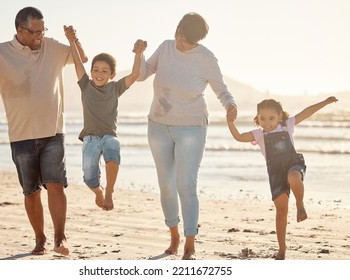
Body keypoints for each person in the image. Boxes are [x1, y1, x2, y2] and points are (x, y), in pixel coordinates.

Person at [0, 6, 88, 256]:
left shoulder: (51, 46)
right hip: (21, 135)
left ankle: (59, 238)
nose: (40, 37)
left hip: (53, 131)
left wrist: (73, 40)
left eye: (43, 31)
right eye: (35, 32)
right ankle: (40, 239)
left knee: (56, 184)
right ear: (20, 30)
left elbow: (81, 59)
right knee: (31, 191)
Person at [136, 12, 237, 260]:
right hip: (158, 126)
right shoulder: (166, 47)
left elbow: (221, 90)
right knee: (166, 186)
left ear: (196, 40)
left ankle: (190, 243)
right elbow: (142, 74)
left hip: (191, 127)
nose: (178, 38)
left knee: (186, 185)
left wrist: (230, 105)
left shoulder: (206, 59)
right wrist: (138, 54)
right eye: (178, 31)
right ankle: (174, 236)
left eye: (185, 38)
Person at [227, 96, 338, 260]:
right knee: (281, 211)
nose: (267, 122)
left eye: (271, 118)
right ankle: (282, 248)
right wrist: (230, 123)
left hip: (293, 163)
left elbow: (306, 112)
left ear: (280, 116)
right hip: (275, 173)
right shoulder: (258, 134)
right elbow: (238, 137)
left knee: (294, 177)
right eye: (262, 118)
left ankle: (300, 205)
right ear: (257, 118)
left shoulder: (287, 125)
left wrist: (325, 102)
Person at [65, 26, 146, 211]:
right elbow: (78, 64)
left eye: (104, 71)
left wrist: (138, 53)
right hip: (90, 138)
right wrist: (72, 41)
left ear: (112, 75)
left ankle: (109, 190)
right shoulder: (85, 85)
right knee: (89, 178)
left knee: (113, 147)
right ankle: (98, 192)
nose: (99, 74)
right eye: (96, 70)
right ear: (91, 71)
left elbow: (135, 75)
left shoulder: (115, 88)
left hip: (109, 134)